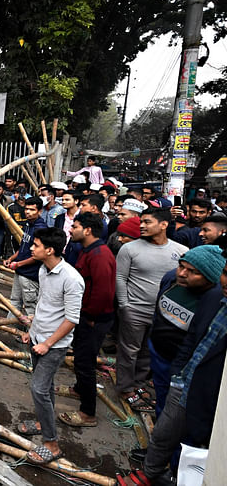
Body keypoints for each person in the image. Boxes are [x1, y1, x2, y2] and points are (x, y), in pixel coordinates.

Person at [142, 249, 227, 484]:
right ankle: (155, 466)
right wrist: (176, 374)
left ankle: (177, 470)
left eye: (192, 272)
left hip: (205, 394)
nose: (182, 274)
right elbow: (191, 340)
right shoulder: (211, 298)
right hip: (177, 375)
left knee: (190, 440)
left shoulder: (210, 295)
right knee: (163, 428)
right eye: (182, 267)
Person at [16, 227, 84, 465]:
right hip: (38, 337)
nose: (31, 248)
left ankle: (52, 443)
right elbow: (44, 303)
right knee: (45, 386)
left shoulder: (72, 279)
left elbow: (72, 319)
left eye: (35, 245)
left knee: (38, 388)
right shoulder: (44, 270)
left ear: (50, 249)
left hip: (53, 345)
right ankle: (42, 422)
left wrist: (47, 343)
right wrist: (32, 330)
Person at [115, 207, 188, 410]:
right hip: (134, 310)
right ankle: (125, 387)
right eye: (141, 222)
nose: (142, 226)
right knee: (129, 350)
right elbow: (120, 278)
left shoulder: (181, 252)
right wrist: (124, 305)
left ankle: (139, 384)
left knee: (149, 352)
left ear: (163, 224)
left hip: (163, 314)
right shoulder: (129, 249)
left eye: (147, 222)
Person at [58, 213, 116, 427]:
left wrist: (90, 317)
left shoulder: (99, 255)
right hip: (86, 315)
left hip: (94, 319)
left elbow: (103, 292)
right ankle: (79, 389)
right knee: (83, 359)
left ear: (88, 230)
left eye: (75, 226)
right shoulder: (87, 250)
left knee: (84, 362)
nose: (71, 229)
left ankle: (87, 413)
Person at [4, 197, 47, 318]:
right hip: (20, 270)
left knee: (30, 306)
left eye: (32, 209)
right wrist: (11, 259)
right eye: (26, 209)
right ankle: (11, 329)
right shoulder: (28, 224)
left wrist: (19, 264)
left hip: (29, 273)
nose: (28, 212)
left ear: (40, 211)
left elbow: (39, 256)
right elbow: (23, 246)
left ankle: (31, 333)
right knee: (14, 301)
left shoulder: (41, 229)